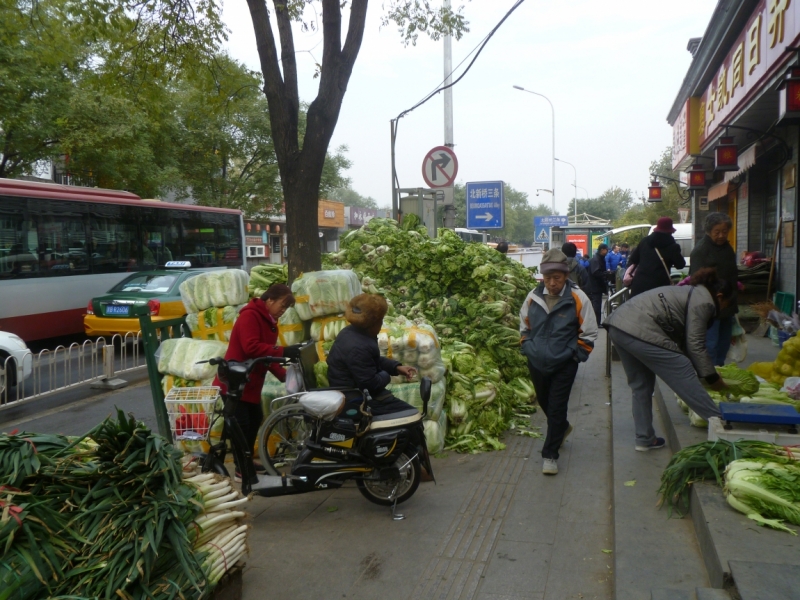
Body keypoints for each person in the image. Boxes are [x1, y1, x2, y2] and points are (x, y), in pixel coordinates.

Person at [605, 268, 730, 451]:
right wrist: (712, 378)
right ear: (720, 296)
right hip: (639, 328)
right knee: (682, 366)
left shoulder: (692, 293)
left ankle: (645, 439)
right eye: (727, 304)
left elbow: (687, 341)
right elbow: (695, 344)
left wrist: (704, 370)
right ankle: (722, 423)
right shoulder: (705, 301)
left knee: (641, 384)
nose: (724, 309)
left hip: (619, 326)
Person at [520, 248, 598, 475]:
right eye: (547, 278)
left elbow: (589, 332)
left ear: (565, 276)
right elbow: (524, 326)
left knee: (556, 406)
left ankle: (550, 455)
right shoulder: (533, 297)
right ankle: (562, 428)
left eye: (556, 278)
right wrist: (528, 346)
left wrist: (576, 355)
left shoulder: (577, 297)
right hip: (537, 361)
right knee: (545, 403)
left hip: (565, 362)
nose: (552, 283)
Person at [212, 283, 298, 480]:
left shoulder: (268, 320)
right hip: (235, 382)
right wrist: (283, 352)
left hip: (249, 382)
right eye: (281, 306)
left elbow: (265, 355)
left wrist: (284, 375)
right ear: (269, 300)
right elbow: (251, 347)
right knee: (242, 425)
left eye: (285, 309)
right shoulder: (250, 316)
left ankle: (246, 461)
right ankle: (242, 469)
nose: (282, 311)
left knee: (254, 420)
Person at [326, 294, 418, 416]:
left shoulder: (351, 332)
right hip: (356, 398)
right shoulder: (359, 346)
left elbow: (370, 361)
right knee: (412, 416)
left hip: (359, 390)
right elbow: (371, 384)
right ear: (374, 323)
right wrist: (387, 375)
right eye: (381, 320)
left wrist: (396, 367)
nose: (381, 324)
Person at [690, 212, 738, 366]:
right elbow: (696, 280)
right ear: (709, 231)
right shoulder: (701, 250)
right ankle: (710, 375)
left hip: (727, 303)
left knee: (724, 343)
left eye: (725, 232)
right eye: (717, 232)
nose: (721, 236)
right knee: (710, 344)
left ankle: (719, 370)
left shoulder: (727, 248)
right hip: (710, 304)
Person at [627, 217, 685, 297]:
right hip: (659, 287)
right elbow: (680, 265)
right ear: (670, 231)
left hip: (639, 286)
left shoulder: (644, 241)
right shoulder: (673, 247)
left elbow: (634, 259)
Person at [587, 244, 609, 324]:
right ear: (602, 250)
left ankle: (597, 321)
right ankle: (596, 322)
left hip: (597, 286)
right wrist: (605, 274)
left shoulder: (600, 258)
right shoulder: (596, 259)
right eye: (606, 249)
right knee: (596, 304)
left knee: (597, 303)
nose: (607, 251)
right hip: (595, 286)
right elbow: (595, 272)